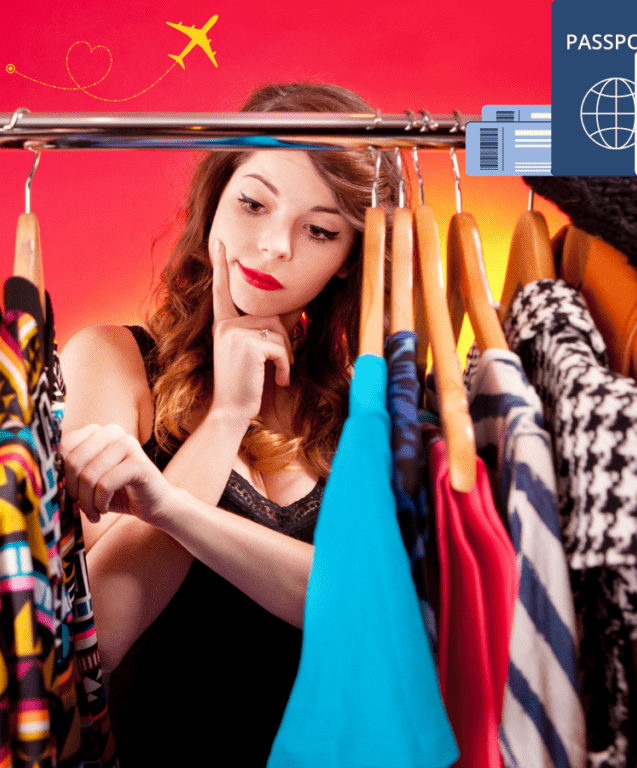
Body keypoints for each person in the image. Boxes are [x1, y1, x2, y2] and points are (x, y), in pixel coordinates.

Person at [59, 82, 400, 766]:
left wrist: (173, 510)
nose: (274, 246)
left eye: (321, 229)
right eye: (253, 203)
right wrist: (225, 418)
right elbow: (99, 638)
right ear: (214, 198)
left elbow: (363, 610)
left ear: (346, 261)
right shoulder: (111, 360)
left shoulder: (363, 409)